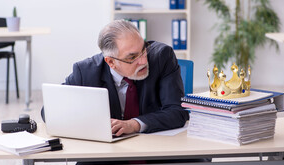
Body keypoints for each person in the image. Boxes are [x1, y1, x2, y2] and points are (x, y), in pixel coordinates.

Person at [41, 19, 188, 135]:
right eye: (132, 57)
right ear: (111, 62)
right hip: (107, 155)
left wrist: (134, 124)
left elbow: (177, 112)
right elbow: (49, 111)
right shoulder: (85, 71)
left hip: (156, 148)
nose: (143, 61)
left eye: (143, 50)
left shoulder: (162, 57)